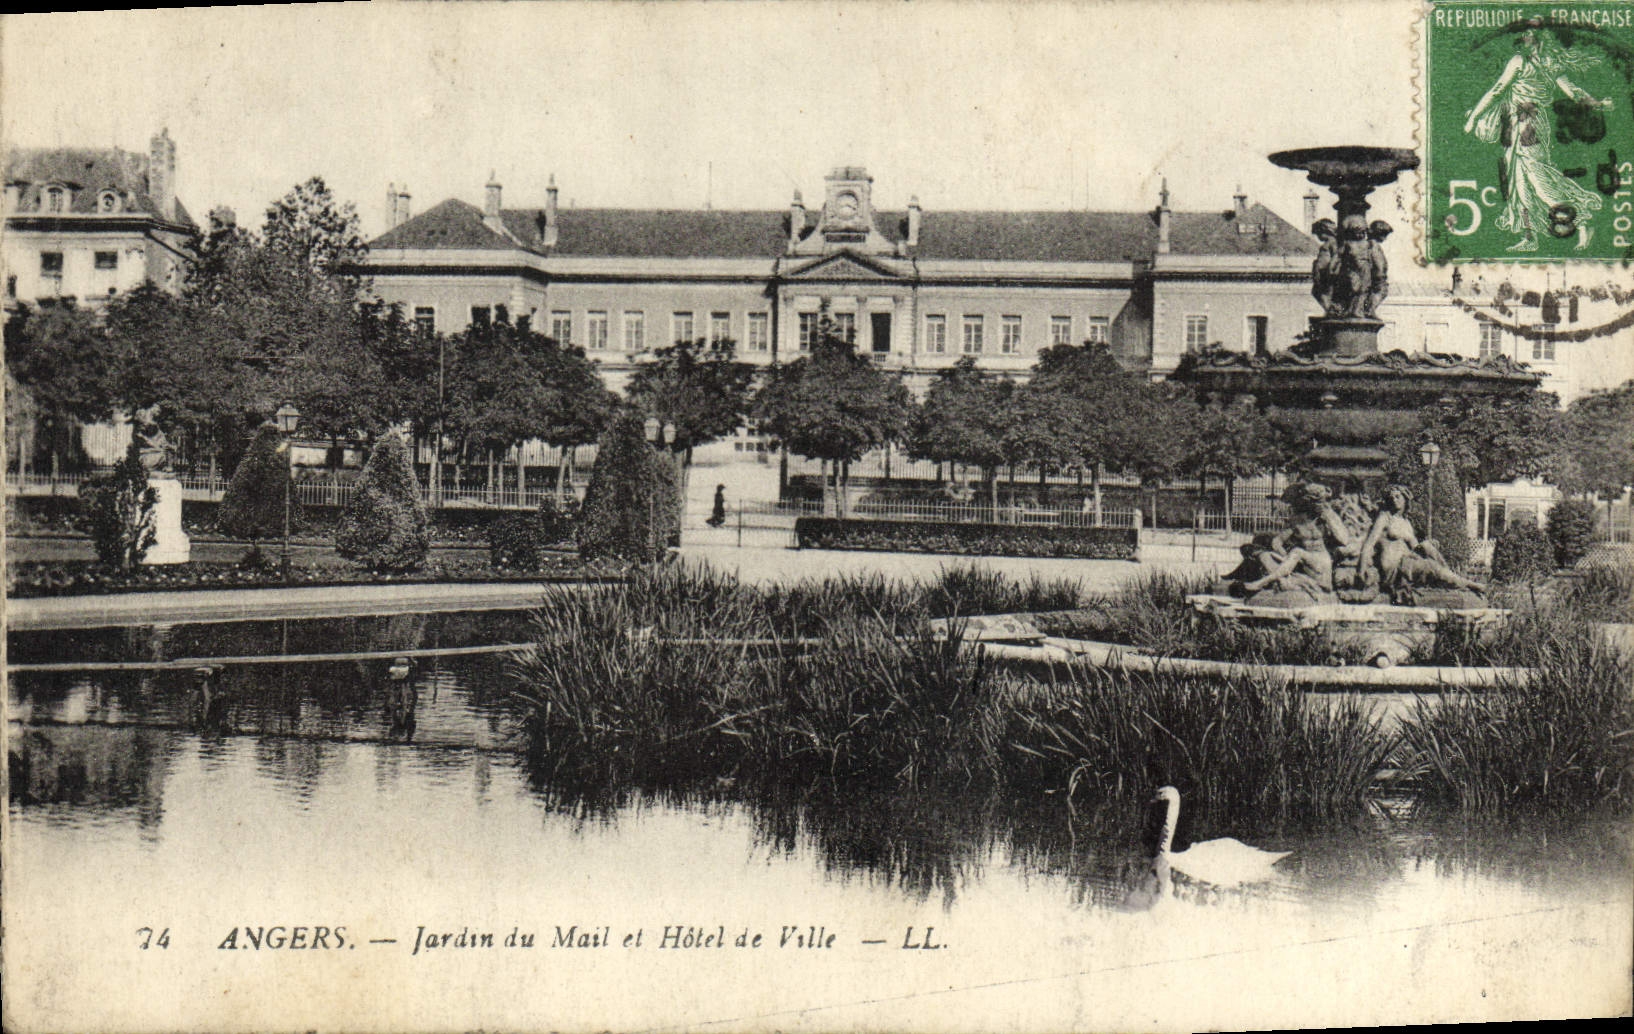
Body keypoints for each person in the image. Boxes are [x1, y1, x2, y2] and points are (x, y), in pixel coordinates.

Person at [1463, 27, 1611, 252]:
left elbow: (1497, 91)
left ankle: (1581, 221)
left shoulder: (1525, 62)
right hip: (1520, 124)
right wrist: (1597, 103)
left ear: (1533, 39)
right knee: (1519, 184)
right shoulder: (1545, 62)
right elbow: (1574, 92)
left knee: (1539, 181)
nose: (1523, 38)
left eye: (1527, 35)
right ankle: (1529, 237)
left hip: (1528, 126)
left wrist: (1474, 117)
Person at [1357, 484, 1484, 600]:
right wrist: (1362, 569)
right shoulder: (1385, 518)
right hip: (1395, 569)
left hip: (1408, 562)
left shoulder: (1406, 522)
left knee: (1429, 552)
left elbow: (1416, 548)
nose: (1394, 500)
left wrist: (1426, 544)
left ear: (1405, 499)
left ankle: (1458, 580)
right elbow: (1369, 544)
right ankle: (1466, 583)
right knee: (1432, 567)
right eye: (1392, 497)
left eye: (1398, 496)